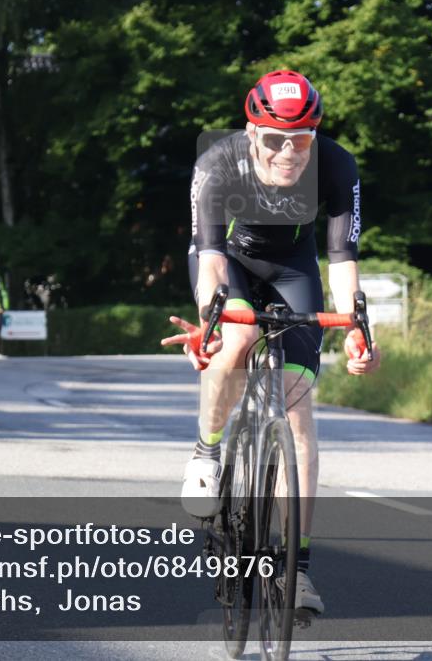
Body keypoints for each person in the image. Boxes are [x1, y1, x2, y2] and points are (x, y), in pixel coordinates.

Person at [162, 70, 380, 615]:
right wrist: (216, 317)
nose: (289, 152)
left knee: (299, 416)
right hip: (228, 262)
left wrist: (356, 328)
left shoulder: (337, 165)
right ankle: (207, 450)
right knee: (239, 335)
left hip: (293, 267)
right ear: (252, 132)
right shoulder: (219, 161)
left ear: (316, 134)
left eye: (301, 139)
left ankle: (297, 571)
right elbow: (209, 255)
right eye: (276, 139)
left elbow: (343, 261)